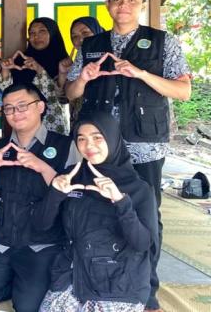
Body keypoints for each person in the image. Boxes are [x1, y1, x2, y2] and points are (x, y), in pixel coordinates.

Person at [65, 0, 191, 311]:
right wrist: (83, 78)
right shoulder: (92, 44)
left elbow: (183, 90)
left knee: (146, 215)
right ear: (108, 4)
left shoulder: (163, 42)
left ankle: (146, 288)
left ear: (142, 4)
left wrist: (141, 73)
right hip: (98, 146)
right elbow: (70, 93)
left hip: (144, 144)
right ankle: (101, 277)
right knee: (98, 209)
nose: (124, 5)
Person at [0, 83, 72, 311]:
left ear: (40, 107)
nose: (16, 113)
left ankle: (28, 285)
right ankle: (19, 281)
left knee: (26, 307)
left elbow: (74, 196)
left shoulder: (64, 145)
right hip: (5, 240)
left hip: (42, 242)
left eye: (22, 106)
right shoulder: (1, 146)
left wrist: (43, 167)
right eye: (9, 108)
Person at [36, 113, 158, 312]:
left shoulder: (138, 188)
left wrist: (121, 202)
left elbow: (143, 244)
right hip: (72, 277)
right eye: (81, 139)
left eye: (97, 137)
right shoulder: (71, 178)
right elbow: (41, 226)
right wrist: (55, 194)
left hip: (118, 283)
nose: (89, 145)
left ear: (112, 137)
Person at [0, 17, 70, 135]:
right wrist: (5, 70)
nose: (36, 36)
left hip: (53, 126)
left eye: (42, 31)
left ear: (52, 33)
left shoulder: (63, 62)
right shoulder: (21, 61)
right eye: (32, 33)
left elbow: (61, 98)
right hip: (24, 125)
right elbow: (8, 93)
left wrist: (39, 69)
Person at [65, 16, 104, 124]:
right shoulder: (79, 58)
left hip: (107, 119)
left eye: (85, 33)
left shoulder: (112, 51)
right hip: (81, 120)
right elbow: (69, 95)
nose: (81, 40)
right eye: (74, 36)